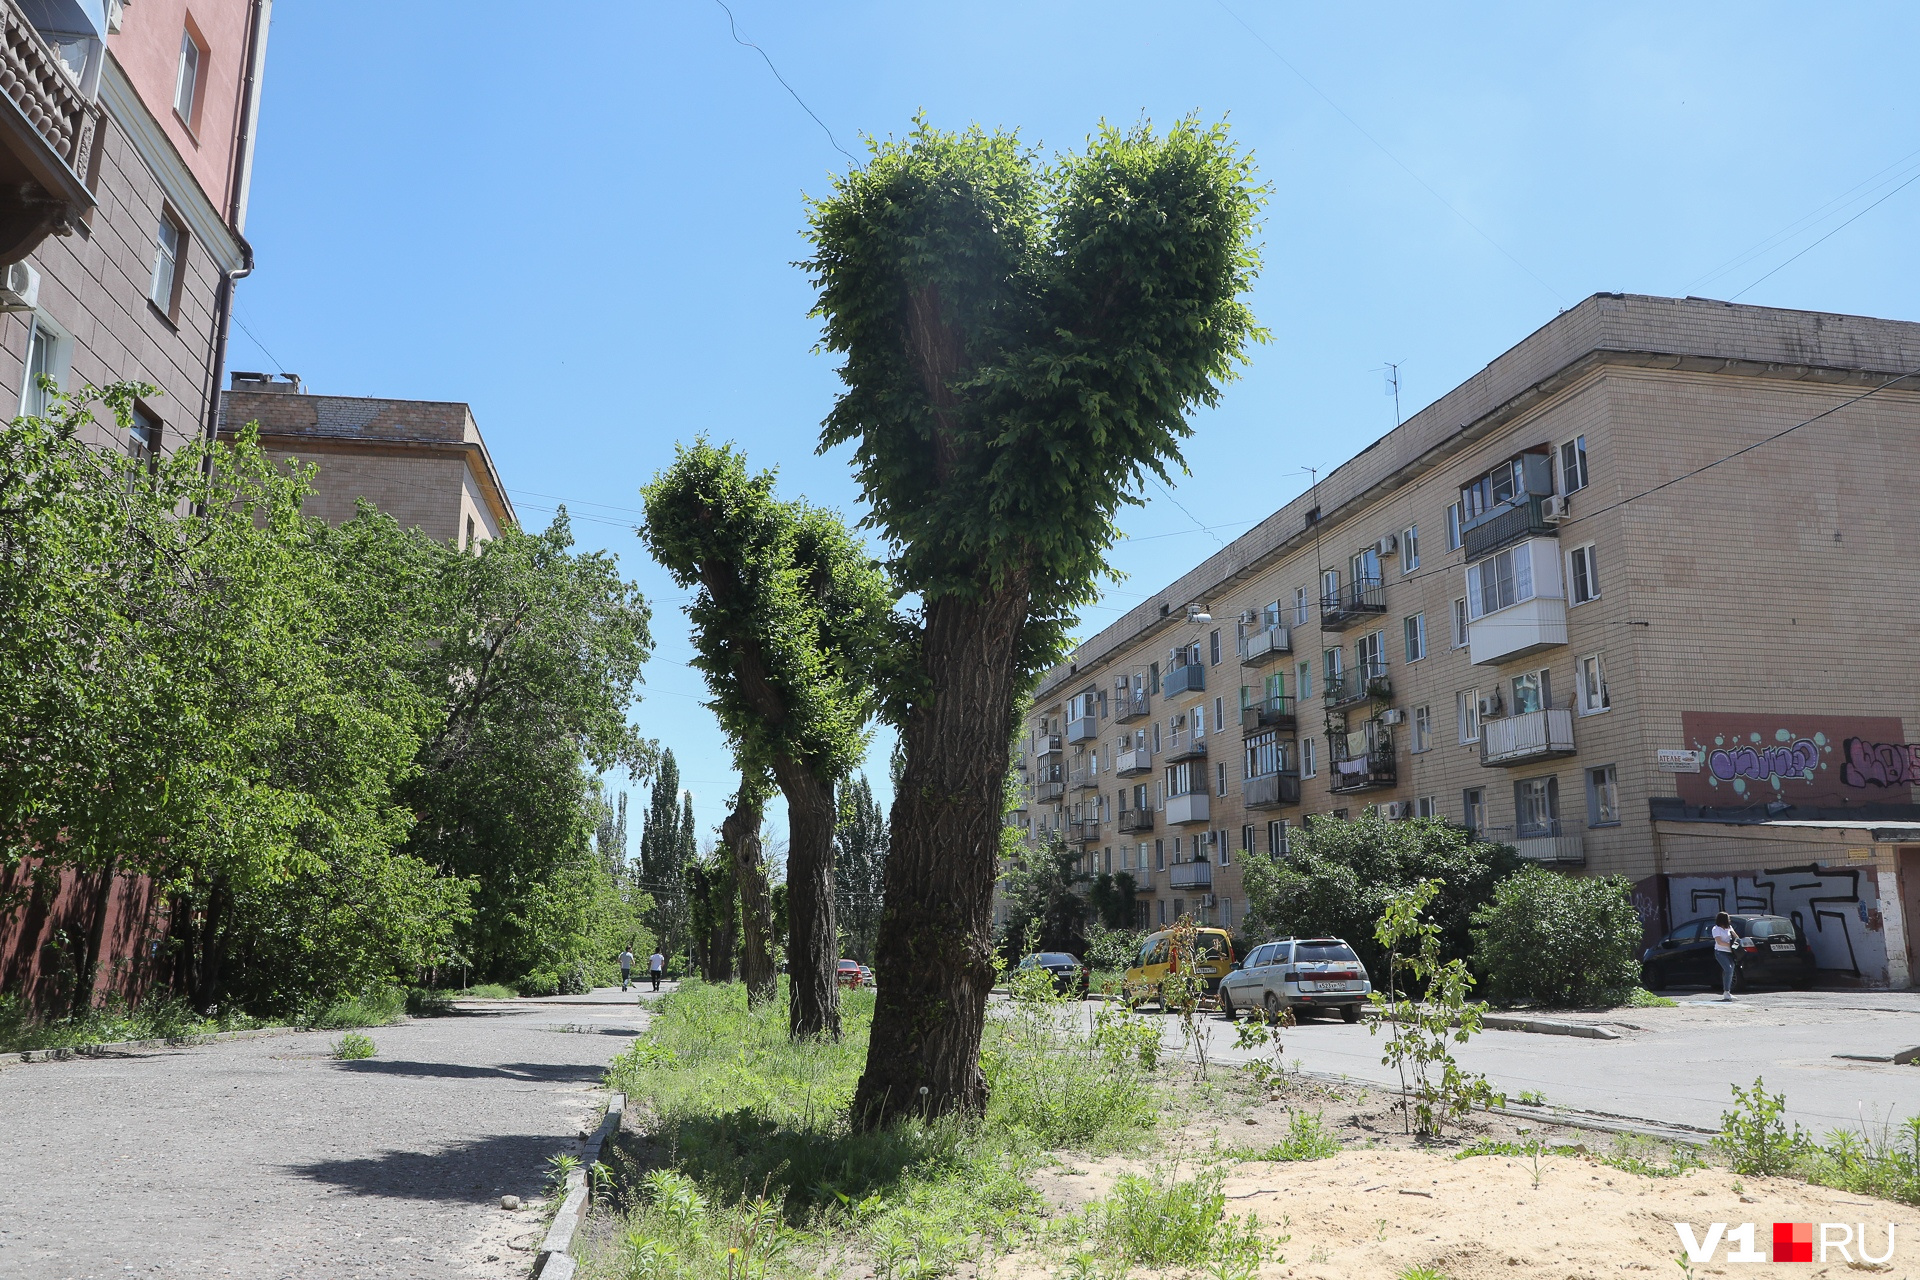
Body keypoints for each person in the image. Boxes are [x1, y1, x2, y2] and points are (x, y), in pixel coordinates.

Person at [1712, 911, 1739, 1001]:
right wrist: (1730, 945)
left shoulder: (1729, 927)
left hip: (1730, 953)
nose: (1729, 920)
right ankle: (1726, 992)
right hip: (1720, 952)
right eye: (1727, 918)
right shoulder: (1716, 929)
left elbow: (1736, 937)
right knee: (1728, 969)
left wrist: (1737, 943)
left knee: (1731, 970)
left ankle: (1728, 992)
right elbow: (1719, 942)